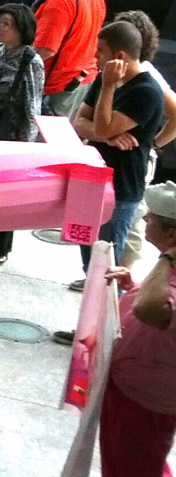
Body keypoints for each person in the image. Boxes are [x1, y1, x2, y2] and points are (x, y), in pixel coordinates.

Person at [53, 21, 166, 344]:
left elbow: (99, 128)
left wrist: (107, 97)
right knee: (90, 260)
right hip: (92, 180)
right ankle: (90, 327)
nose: (96, 58)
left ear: (120, 56)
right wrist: (106, 133)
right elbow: (79, 122)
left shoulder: (145, 90)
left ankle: (101, 335)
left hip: (121, 190)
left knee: (107, 262)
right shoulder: (105, 77)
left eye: (100, 52)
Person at [97, 181, 176, 477]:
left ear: (171, 234)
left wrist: (170, 255)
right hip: (131, 389)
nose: (145, 220)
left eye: (151, 218)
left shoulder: (169, 261)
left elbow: (151, 309)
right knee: (123, 458)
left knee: (134, 466)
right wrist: (134, 286)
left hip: (147, 399)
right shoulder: (168, 265)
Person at [0, 4, 45, 266]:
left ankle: (0, 247)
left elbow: (33, 107)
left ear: (21, 29)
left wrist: (26, 148)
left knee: (5, 192)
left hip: (11, 133)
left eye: (6, 24)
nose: (0, 28)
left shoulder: (31, 61)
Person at [114, 10, 176, 272]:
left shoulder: (146, 74)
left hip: (137, 159)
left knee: (133, 217)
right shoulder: (118, 71)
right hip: (117, 157)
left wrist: (154, 144)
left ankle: (123, 272)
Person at [34, 0, 106, 120]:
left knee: (48, 134)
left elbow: (45, 50)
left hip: (60, 85)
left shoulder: (59, 1)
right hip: (85, 79)